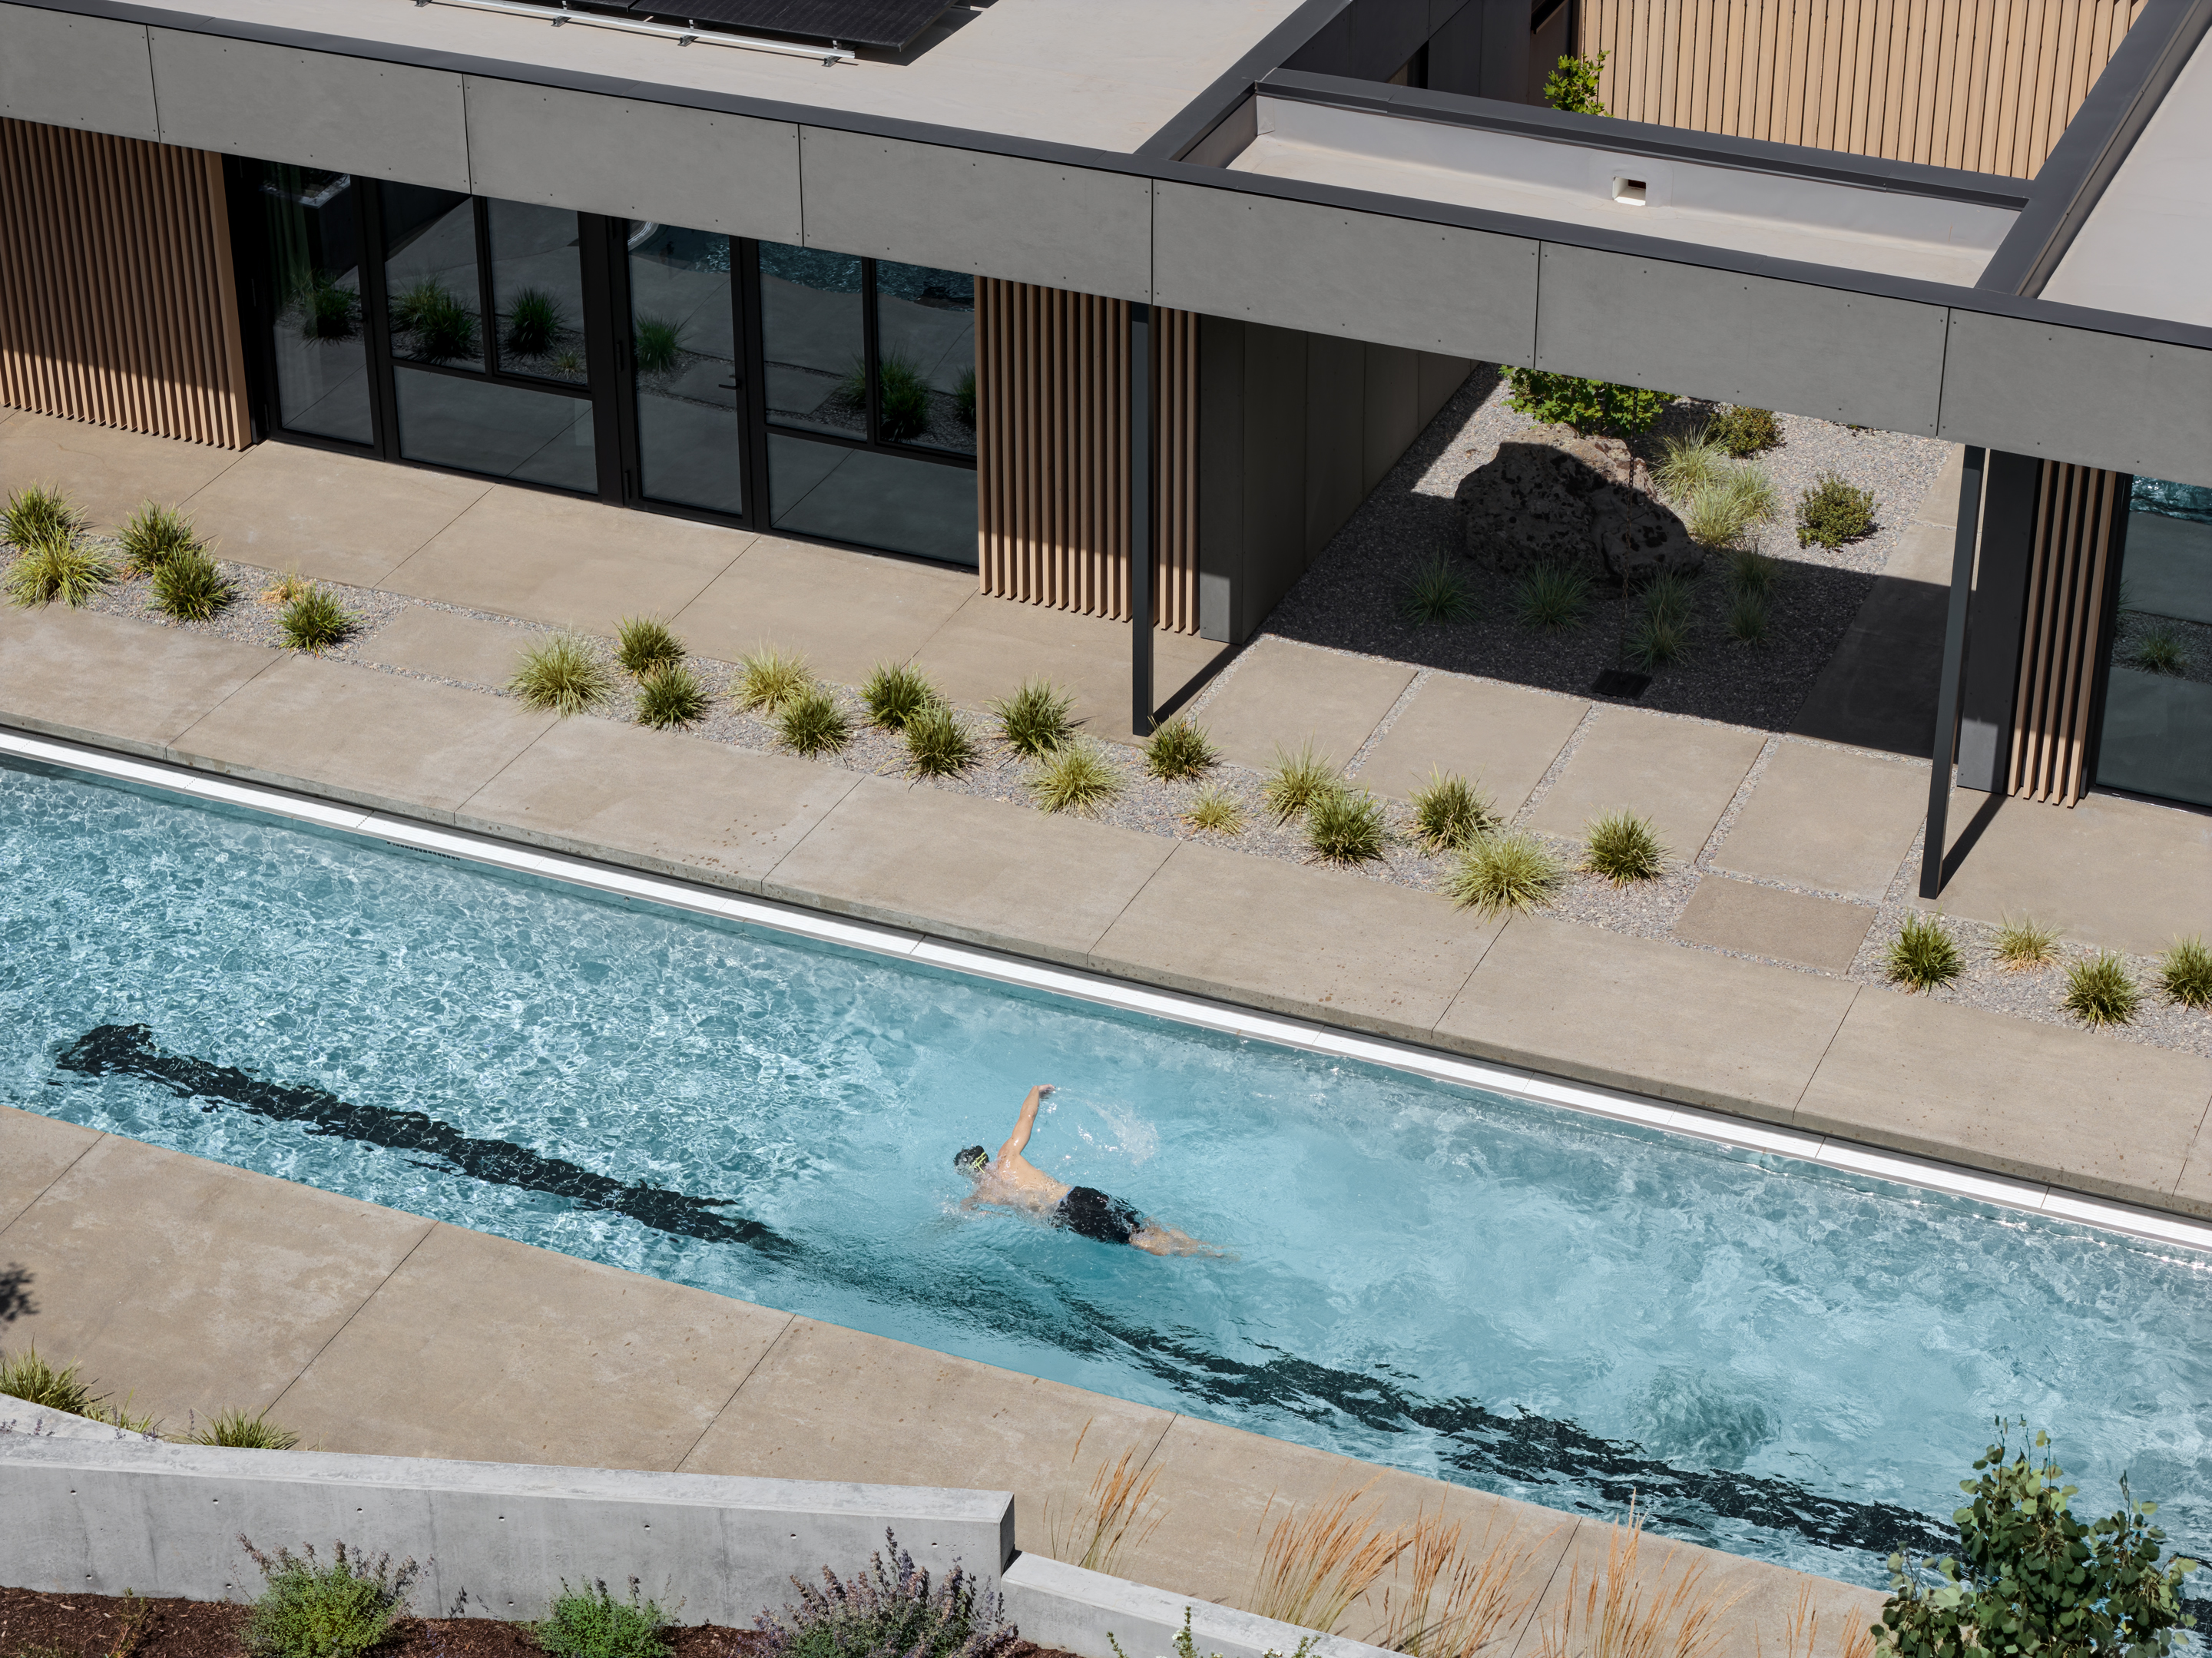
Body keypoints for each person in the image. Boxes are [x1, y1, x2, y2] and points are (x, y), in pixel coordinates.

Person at [955, 1084, 1215, 1256]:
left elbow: (959, 1214)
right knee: (1143, 1225)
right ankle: (1201, 1245)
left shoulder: (984, 1192)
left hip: (1068, 1214)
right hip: (1080, 1194)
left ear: (969, 1174)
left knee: (1137, 1240)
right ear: (985, 1157)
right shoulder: (1008, 1156)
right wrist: (1036, 1090)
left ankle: (1198, 1254)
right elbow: (1027, 1117)